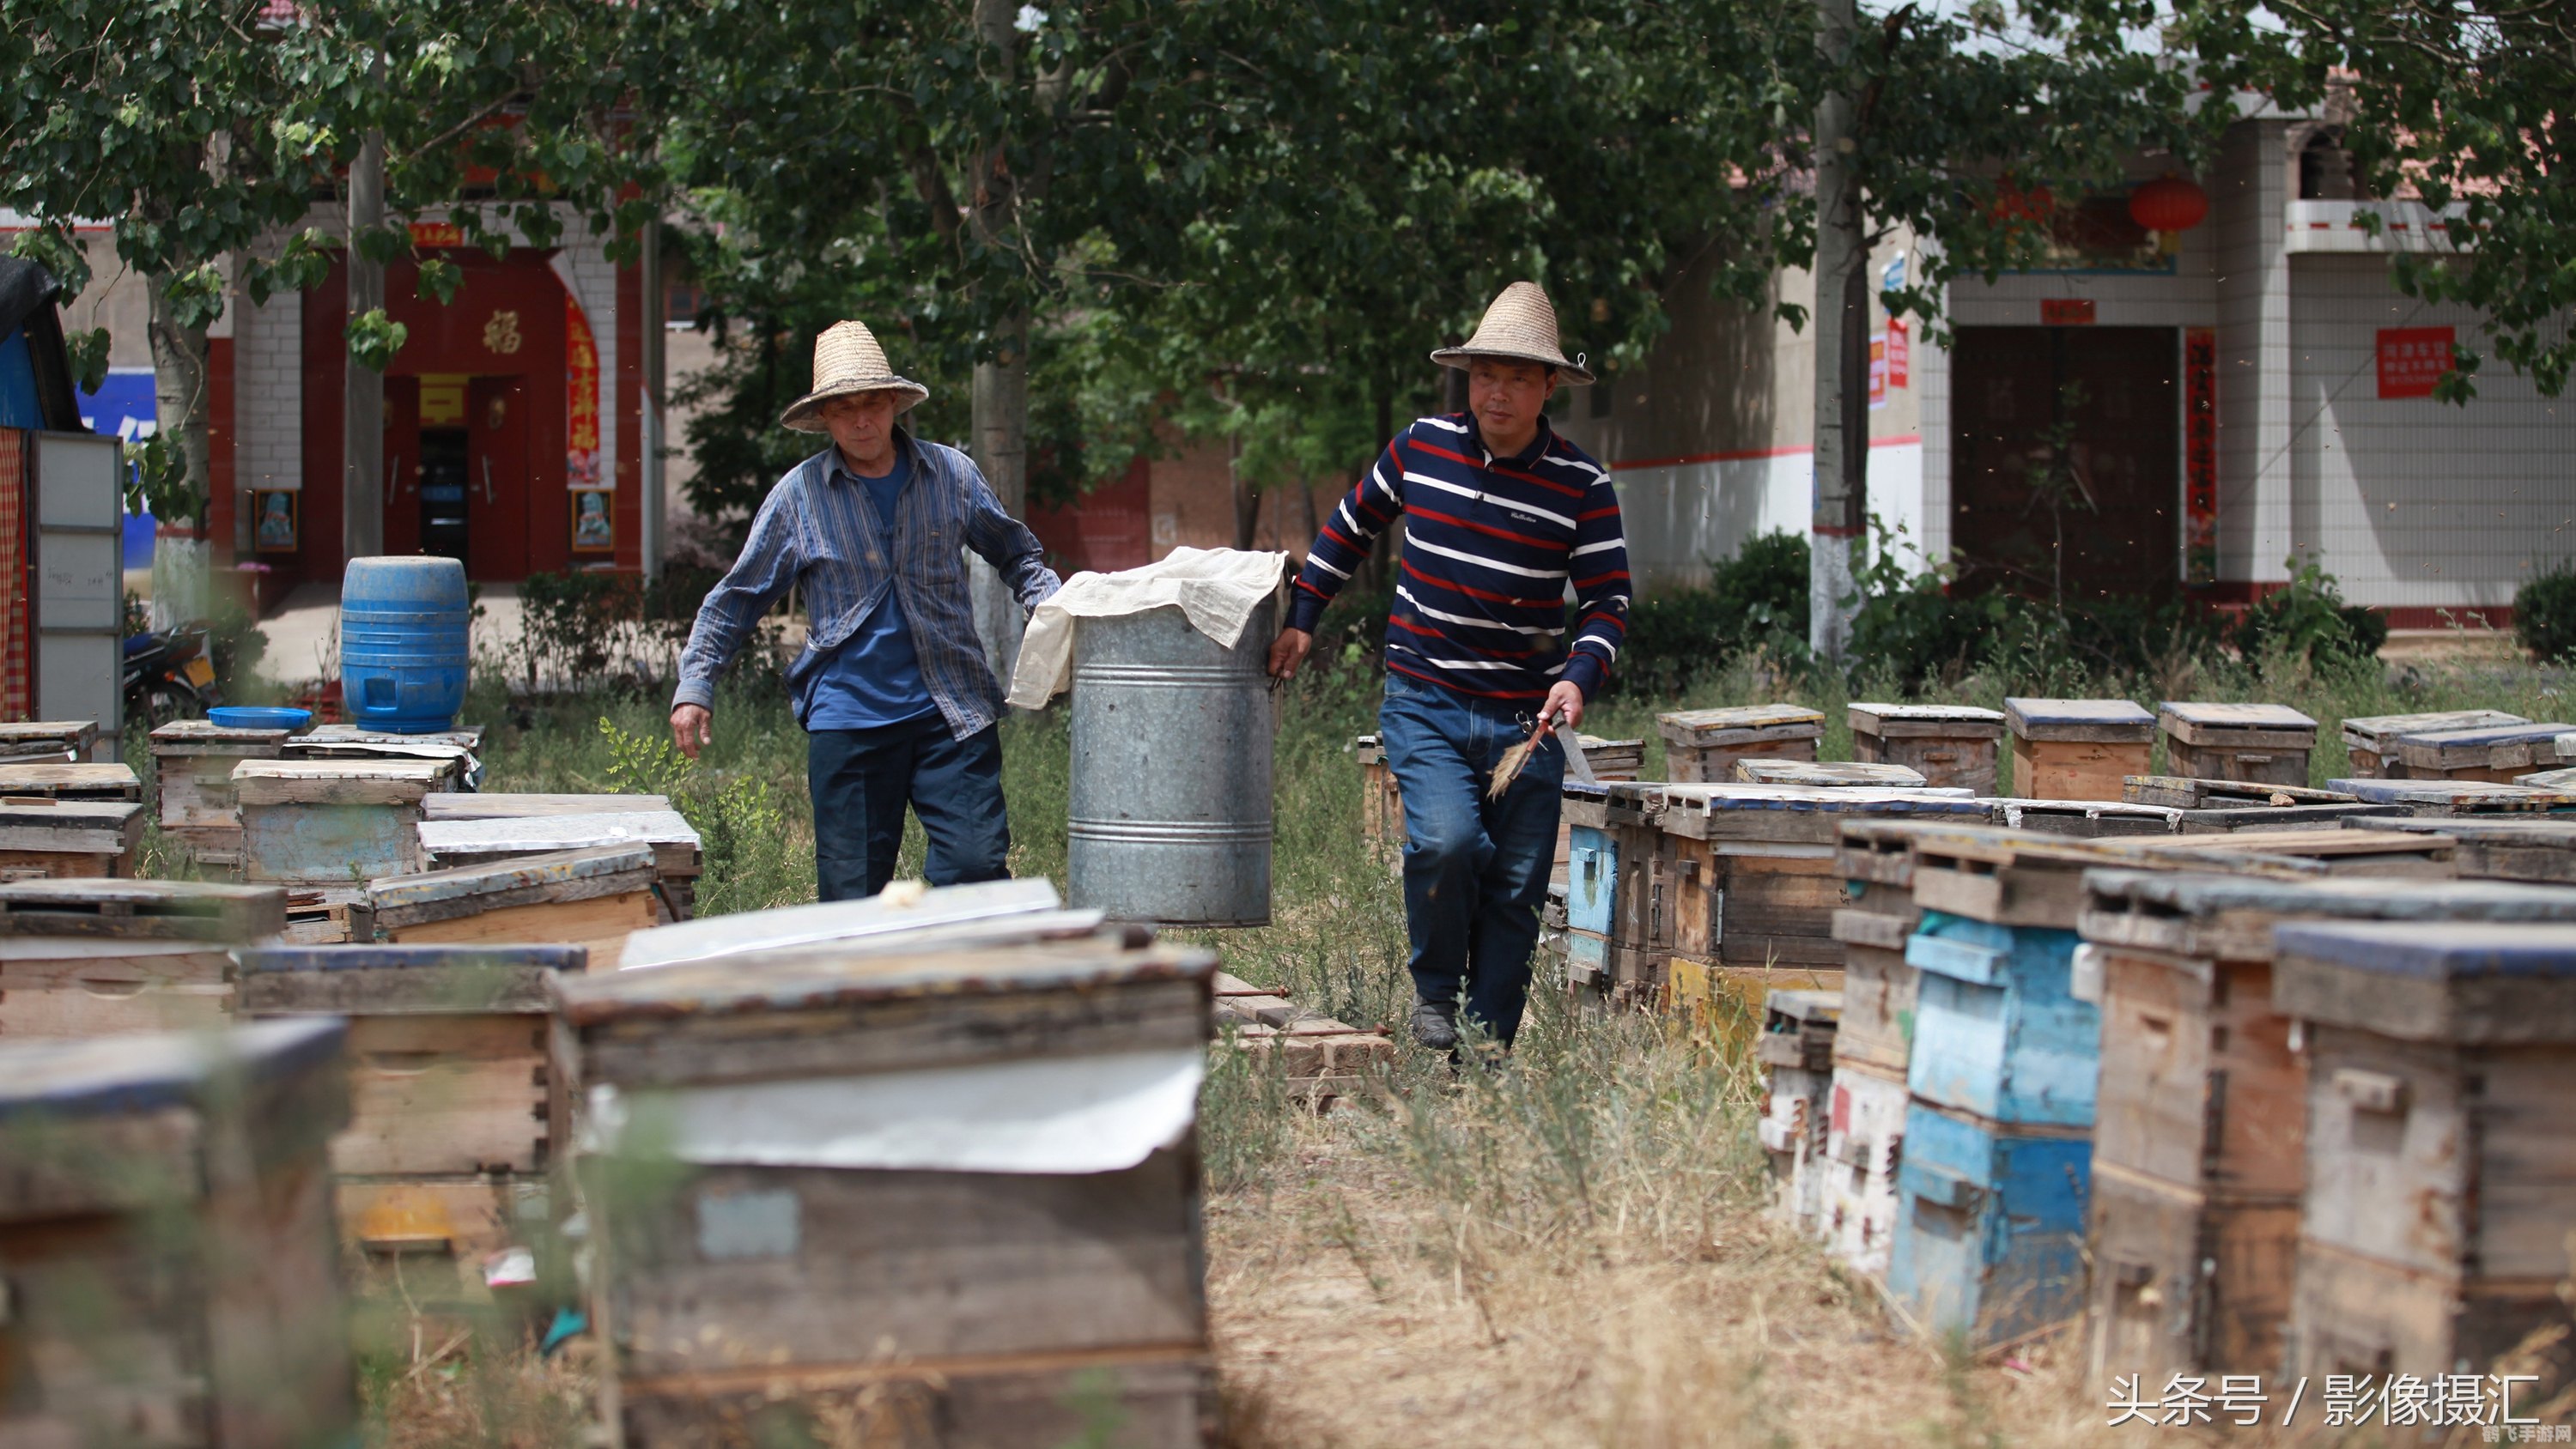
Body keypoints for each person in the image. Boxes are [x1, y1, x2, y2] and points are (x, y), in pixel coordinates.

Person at [1268, 282, 1630, 1051]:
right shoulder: (1420, 447)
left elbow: (1608, 601)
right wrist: (1303, 617)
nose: (1498, 391)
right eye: (1486, 374)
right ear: (1467, 377)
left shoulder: (1582, 486)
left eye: (1518, 377)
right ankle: (1436, 996)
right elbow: (1349, 526)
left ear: (1549, 387)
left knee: (1516, 889)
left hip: (1524, 722)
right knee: (1448, 844)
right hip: (1425, 699)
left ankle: (1486, 1052)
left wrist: (1580, 674)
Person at [671, 319, 1061, 901]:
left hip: (951, 713)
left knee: (976, 868)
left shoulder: (951, 474)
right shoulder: (799, 497)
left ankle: (958, 985)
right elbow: (737, 598)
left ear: (894, 405)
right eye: (844, 409)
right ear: (823, 418)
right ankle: (875, 990)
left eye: (873, 404)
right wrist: (696, 685)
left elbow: (1018, 555)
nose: (861, 421)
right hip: (849, 719)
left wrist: (1054, 610)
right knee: (853, 895)